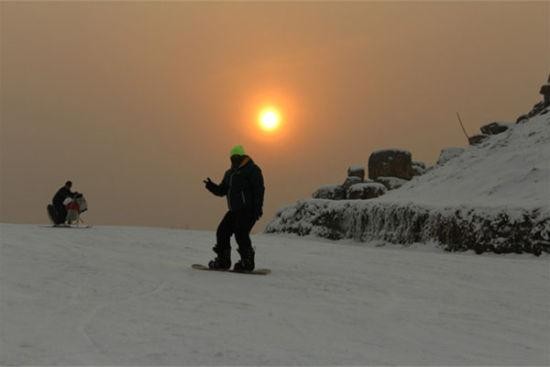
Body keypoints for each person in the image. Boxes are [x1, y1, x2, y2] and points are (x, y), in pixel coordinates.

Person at [204, 145, 265, 272]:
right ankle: (223, 260)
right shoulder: (229, 173)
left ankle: (247, 261)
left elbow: (259, 190)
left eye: (236, 157)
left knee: (240, 233)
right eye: (232, 157)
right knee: (222, 231)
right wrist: (211, 186)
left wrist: (257, 209)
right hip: (234, 210)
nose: (234, 159)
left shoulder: (252, 170)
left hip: (248, 210)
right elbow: (222, 191)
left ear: (243, 156)